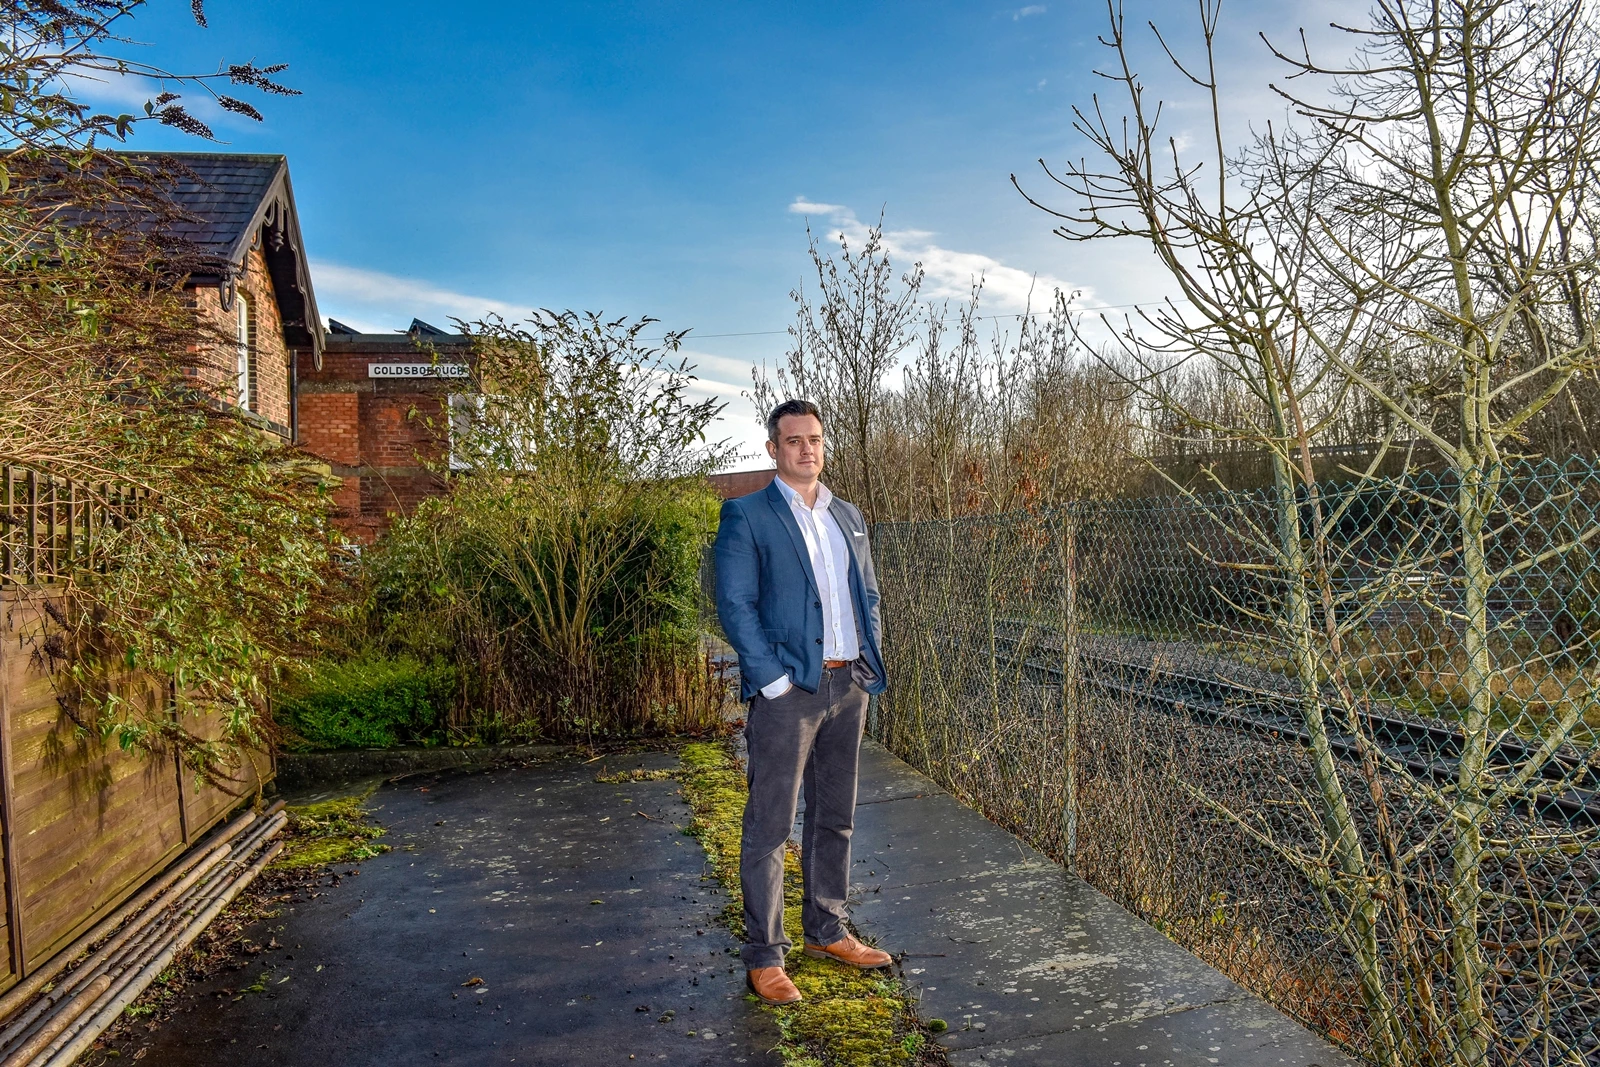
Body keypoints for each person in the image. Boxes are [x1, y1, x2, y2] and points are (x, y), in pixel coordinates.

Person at [713, 398, 892, 1007]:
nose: (806, 449)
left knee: (833, 816)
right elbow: (735, 605)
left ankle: (826, 929)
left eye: (814, 438)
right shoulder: (747, 515)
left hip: (848, 688)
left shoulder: (848, 514)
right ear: (772, 449)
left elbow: (866, 593)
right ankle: (765, 957)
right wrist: (772, 682)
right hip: (788, 694)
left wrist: (867, 656)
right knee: (771, 824)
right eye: (793, 440)